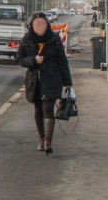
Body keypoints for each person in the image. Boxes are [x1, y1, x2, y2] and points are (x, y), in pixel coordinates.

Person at [16, 12, 73, 155]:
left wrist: (68, 83)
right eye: (37, 24)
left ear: (47, 24)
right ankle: (41, 139)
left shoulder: (54, 39)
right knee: (38, 110)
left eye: (42, 23)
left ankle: (48, 141)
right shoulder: (27, 39)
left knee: (48, 108)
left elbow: (62, 62)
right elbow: (19, 59)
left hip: (52, 78)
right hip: (34, 80)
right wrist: (33, 60)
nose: (40, 27)